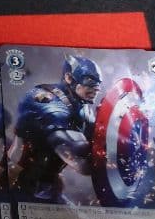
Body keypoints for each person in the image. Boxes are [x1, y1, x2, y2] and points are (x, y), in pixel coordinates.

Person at [10, 55, 100, 203]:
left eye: (98, 83)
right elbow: (72, 148)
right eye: (90, 80)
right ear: (69, 77)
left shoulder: (84, 109)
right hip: (15, 184)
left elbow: (99, 141)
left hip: (46, 189)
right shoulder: (44, 96)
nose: (96, 87)